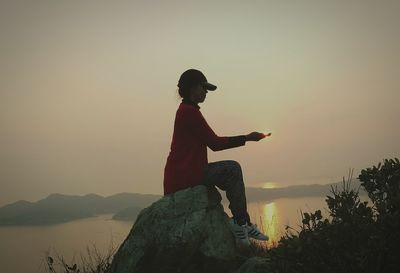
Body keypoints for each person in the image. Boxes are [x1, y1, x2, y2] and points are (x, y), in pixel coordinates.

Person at [163, 69, 270, 246]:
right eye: (203, 88)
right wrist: (248, 138)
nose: (206, 92)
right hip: (186, 175)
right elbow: (215, 143)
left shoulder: (186, 110)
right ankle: (241, 223)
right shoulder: (189, 112)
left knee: (230, 170)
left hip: (183, 173)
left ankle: (243, 223)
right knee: (232, 169)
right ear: (192, 88)